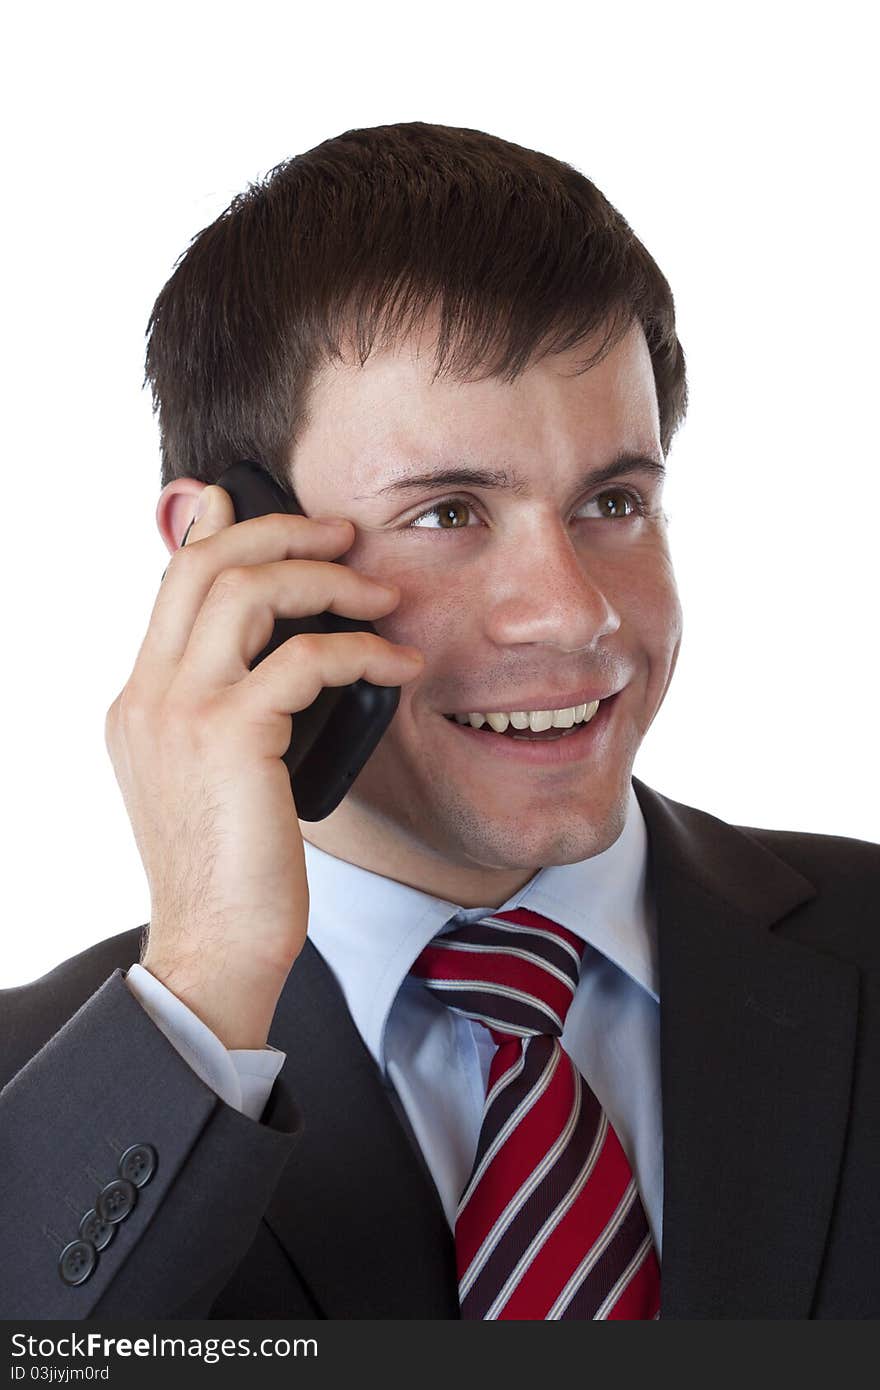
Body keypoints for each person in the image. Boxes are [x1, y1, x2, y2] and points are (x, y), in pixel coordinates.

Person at [1, 122, 877, 1321]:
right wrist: (205, 982)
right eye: (450, 512)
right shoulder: (42, 1097)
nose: (573, 615)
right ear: (222, 554)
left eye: (613, 499)